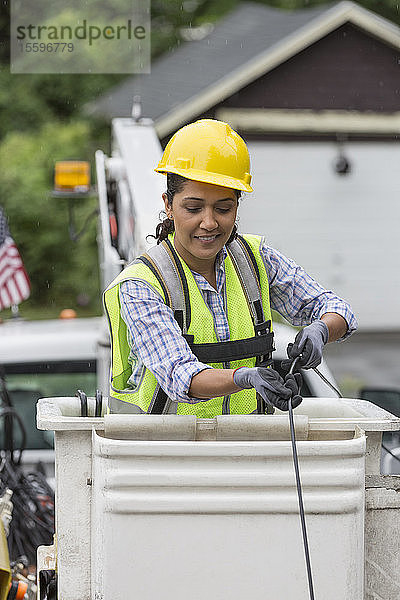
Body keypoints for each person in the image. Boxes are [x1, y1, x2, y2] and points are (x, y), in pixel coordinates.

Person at [104, 119, 357, 416]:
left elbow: (338, 310)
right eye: (193, 208)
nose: (209, 222)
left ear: (237, 205)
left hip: (248, 450)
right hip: (168, 454)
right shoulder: (141, 284)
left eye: (223, 209)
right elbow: (179, 375)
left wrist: (320, 330)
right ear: (168, 205)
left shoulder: (256, 260)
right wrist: (244, 377)